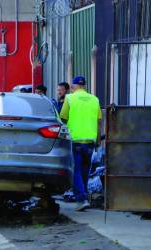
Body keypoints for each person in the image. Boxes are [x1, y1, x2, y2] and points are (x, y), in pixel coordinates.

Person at [60, 76, 102, 211]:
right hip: (90, 141)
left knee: (76, 170)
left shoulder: (69, 98)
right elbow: (98, 121)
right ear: (84, 86)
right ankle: (83, 197)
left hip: (75, 140)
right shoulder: (95, 99)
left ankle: (82, 198)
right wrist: (98, 139)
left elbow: (63, 118)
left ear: (72, 87)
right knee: (85, 170)